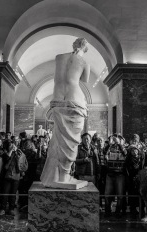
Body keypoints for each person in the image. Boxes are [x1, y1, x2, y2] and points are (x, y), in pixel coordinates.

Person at [40, 38, 90, 188]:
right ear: (85, 49)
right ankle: (64, 176)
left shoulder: (59, 58)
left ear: (74, 45)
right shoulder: (84, 62)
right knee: (71, 143)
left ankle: (58, 176)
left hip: (57, 100)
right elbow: (84, 80)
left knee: (58, 141)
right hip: (75, 100)